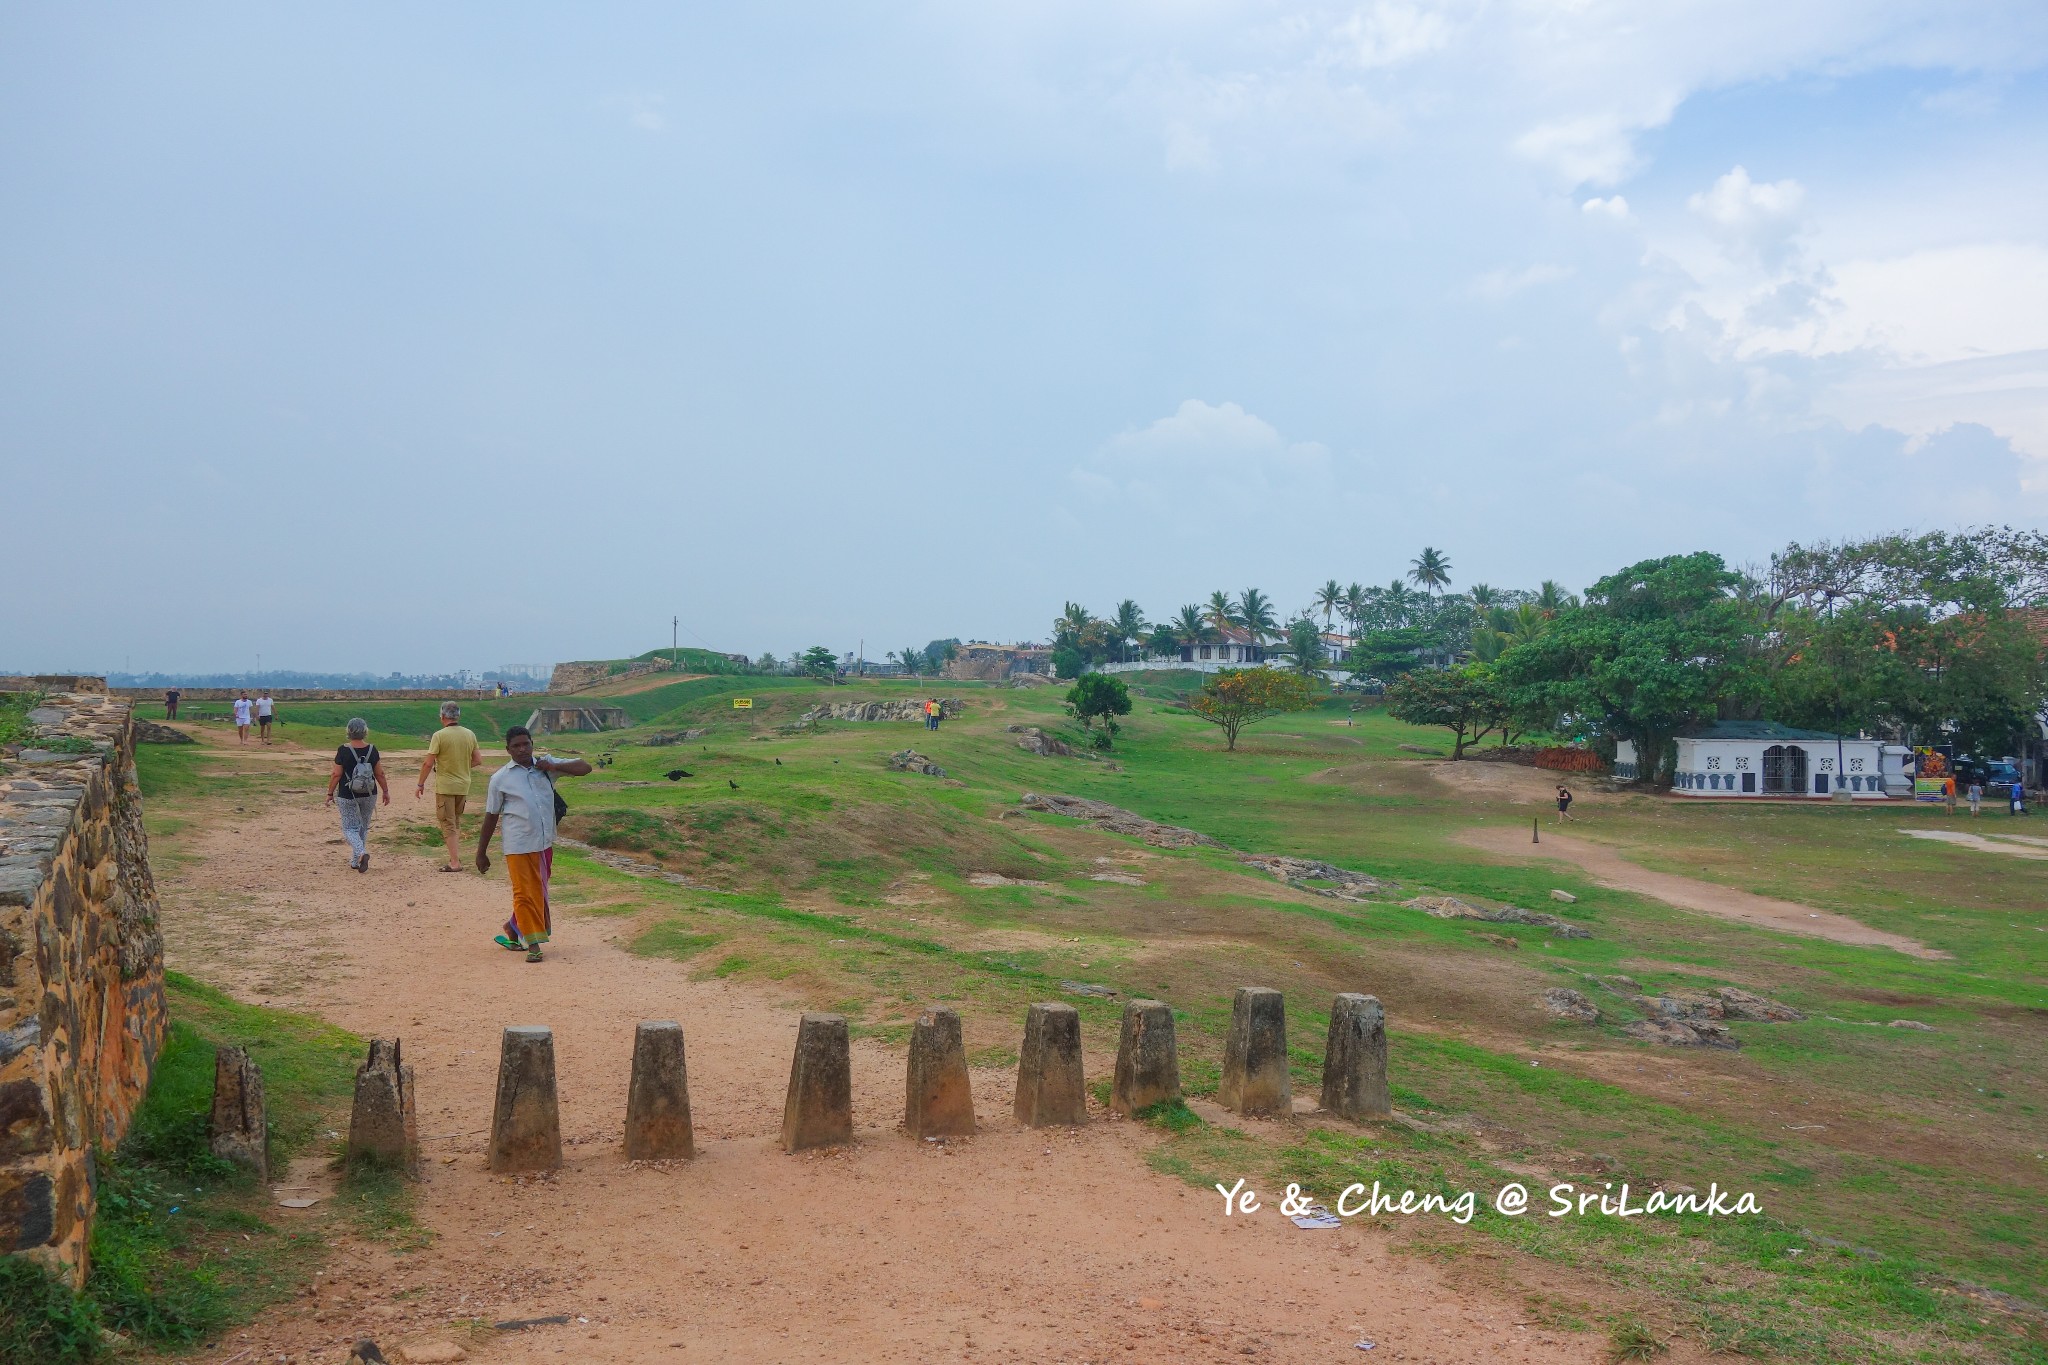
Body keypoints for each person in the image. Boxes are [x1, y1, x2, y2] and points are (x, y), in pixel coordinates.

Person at [475, 726, 591, 963]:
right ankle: (534, 945)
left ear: (532, 744)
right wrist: (481, 852)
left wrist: (554, 766)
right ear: (507, 750)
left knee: (537, 891)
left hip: (544, 843)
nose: (522, 749)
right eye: (516, 746)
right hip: (517, 845)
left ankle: (512, 926)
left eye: (526, 744)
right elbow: (491, 815)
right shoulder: (500, 779)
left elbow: (585, 768)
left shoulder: (546, 768)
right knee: (523, 894)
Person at [416, 701, 482, 872]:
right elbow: (477, 760)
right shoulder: (469, 734)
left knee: (447, 823)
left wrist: (420, 783)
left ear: (442, 716)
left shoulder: (439, 735)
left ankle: (454, 862)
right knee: (456, 821)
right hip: (463, 785)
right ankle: (455, 857)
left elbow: (428, 763)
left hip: (446, 786)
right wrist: (461, 766)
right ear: (458, 715)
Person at [324, 718, 388, 872]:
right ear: (365, 731)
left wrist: (330, 792)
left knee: (349, 828)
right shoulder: (373, 749)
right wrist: (386, 791)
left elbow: (336, 774)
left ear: (349, 731)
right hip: (369, 793)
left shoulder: (343, 750)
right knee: (363, 827)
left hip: (347, 794)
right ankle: (356, 861)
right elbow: (380, 773)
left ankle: (361, 853)